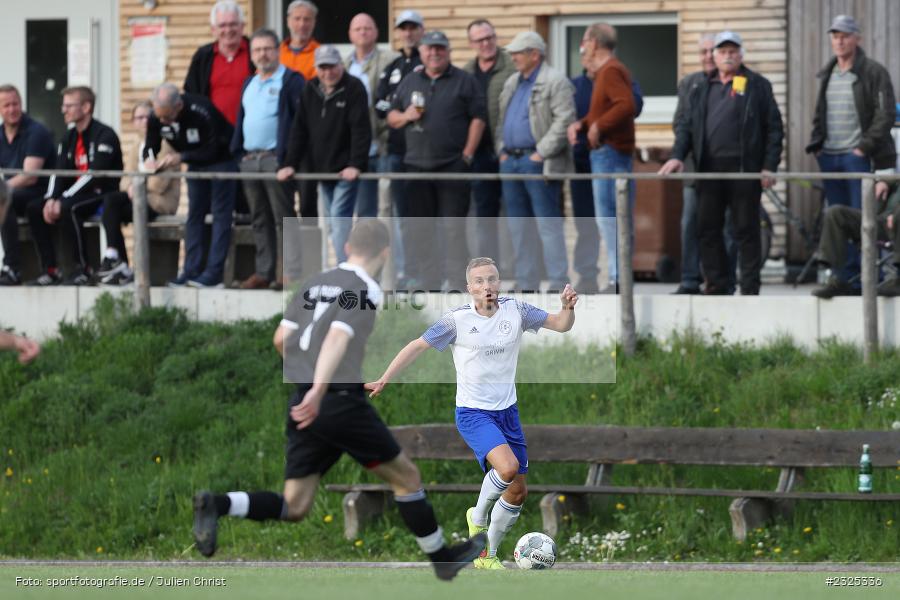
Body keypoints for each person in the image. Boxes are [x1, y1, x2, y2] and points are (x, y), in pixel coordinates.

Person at [191, 220, 486, 580]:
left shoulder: (314, 283)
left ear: (346, 247)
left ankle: (216, 504)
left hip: (303, 402)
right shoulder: (365, 288)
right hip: (334, 401)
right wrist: (321, 388)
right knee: (407, 476)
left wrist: (309, 385)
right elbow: (335, 338)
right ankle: (441, 560)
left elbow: (280, 340)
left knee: (295, 504)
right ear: (385, 253)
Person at [366, 257, 578, 569]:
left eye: (492, 279)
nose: (487, 286)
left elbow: (561, 324)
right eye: (479, 281)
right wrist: (385, 377)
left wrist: (568, 307)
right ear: (469, 288)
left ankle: (486, 555)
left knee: (517, 492)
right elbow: (416, 346)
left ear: (499, 282)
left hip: (508, 412)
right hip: (473, 413)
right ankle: (476, 516)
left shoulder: (517, 310)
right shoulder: (457, 320)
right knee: (507, 469)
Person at [659, 31, 784, 295]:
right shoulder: (699, 86)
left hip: (744, 171)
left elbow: (774, 128)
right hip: (709, 170)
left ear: (741, 55)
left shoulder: (757, 84)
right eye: (722, 51)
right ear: (713, 56)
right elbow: (685, 128)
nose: (727, 56)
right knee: (707, 229)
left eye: (732, 51)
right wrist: (676, 156)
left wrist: (769, 165)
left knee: (746, 230)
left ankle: (749, 287)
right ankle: (717, 284)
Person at [387, 31, 486, 292]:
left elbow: (478, 118)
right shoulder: (410, 81)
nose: (434, 53)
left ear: (448, 51)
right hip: (416, 167)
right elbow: (391, 117)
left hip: (453, 165)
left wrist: (467, 153)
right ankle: (429, 282)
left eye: (440, 48)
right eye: (430, 48)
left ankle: (456, 283)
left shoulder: (464, 80)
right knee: (422, 228)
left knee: (454, 228)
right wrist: (406, 116)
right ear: (422, 52)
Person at [806, 15, 897, 291]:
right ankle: (842, 277)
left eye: (845, 35)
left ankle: (868, 278)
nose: (839, 40)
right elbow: (820, 113)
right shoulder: (827, 73)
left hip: (858, 157)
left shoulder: (873, 72)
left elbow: (886, 114)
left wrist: (863, 147)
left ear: (857, 38)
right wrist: (818, 143)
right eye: (835, 36)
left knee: (863, 219)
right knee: (836, 217)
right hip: (830, 156)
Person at [277, 45, 371, 264]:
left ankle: (345, 270)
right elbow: (299, 129)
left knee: (339, 220)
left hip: (346, 170)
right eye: (323, 67)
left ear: (341, 65)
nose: (328, 72)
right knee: (333, 223)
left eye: (332, 66)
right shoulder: (310, 89)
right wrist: (290, 163)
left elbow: (361, 128)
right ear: (317, 68)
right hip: (322, 170)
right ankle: (345, 266)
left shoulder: (354, 87)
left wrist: (356, 164)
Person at [497, 31, 574, 292]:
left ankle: (556, 282)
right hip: (511, 161)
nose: (513, 56)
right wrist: (501, 150)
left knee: (547, 224)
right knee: (518, 227)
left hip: (538, 162)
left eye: (519, 52)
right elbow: (501, 120)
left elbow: (565, 120)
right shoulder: (512, 81)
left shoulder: (555, 81)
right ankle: (526, 281)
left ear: (535, 54)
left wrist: (541, 152)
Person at [231, 28, 304, 290]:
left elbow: (299, 125)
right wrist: (238, 153)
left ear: (278, 51)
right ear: (252, 55)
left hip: (277, 160)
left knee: (283, 217)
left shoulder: (291, 80)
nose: (262, 54)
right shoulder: (249, 83)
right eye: (257, 50)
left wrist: (290, 160)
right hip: (250, 159)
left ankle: (290, 273)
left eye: (267, 49)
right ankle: (264, 272)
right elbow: (241, 120)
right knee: (259, 218)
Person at [145, 83, 237, 288]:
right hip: (194, 163)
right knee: (194, 215)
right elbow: (151, 143)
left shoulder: (202, 110)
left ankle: (214, 273)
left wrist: (182, 157)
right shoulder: (157, 115)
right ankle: (190, 270)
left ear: (178, 106)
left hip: (221, 160)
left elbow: (215, 147)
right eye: (159, 116)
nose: (162, 121)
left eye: (167, 117)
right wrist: (150, 160)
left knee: (221, 215)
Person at [567, 23, 635, 294]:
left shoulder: (611, 70)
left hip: (610, 154)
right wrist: (583, 124)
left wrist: (597, 127)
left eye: (585, 41)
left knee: (611, 219)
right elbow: (605, 110)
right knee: (607, 218)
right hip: (605, 153)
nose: (583, 46)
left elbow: (625, 105)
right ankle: (617, 278)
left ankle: (618, 279)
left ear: (594, 43)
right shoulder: (605, 73)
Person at [35, 86, 123, 286]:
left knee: (69, 208)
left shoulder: (105, 134)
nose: (63, 110)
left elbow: (95, 175)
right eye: (63, 105)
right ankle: (50, 269)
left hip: (102, 193)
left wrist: (63, 199)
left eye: (69, 106)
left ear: (86, 107)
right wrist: (51, 199)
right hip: (75, 194)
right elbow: (59, 172)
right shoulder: (68, 137)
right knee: (35, 208)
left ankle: (83, 269)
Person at [97, 101, 181, 286]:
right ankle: (116, 258)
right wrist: (130, 187)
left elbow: (160, 184)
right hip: (138, 197)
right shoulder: (136, 145)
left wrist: (137, 187)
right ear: (133, 122)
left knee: (114, 208)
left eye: (147, 117)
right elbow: (126, 176)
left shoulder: (167, 144)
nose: (144, 122)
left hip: (160, 202)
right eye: (139, 118)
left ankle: (119, 263)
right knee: (110, 202)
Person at [374, 9, 426, 287]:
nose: (408, 33)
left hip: (421, 154)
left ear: (421, 31)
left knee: (418, 217)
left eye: (413, 28)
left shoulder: (427, 62)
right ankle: (404, 274)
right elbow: (380, 105)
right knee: (398, 217)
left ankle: (419, 273)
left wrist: (399, 110)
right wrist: (401, 112)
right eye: (403, 28)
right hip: (395, 152)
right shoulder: (393, 66)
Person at [462, 20, 516, 261]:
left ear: (496, 37)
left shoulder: (512, 66)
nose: (485, 43)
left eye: (489, 37)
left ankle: (526, 273)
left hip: (510, 150)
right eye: (479, 40)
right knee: (484, 215)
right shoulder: (466, 73)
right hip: (480, 154)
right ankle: (490, 269)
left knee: (518, 214)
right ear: (471, 43)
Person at [0, 84, 55, 286]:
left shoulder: (36, 131)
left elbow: (30, 176)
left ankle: (12, 268)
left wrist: (2, 190)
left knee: (5, 200)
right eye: (6, 106)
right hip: (15, 193)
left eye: (15, 104)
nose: (12, 109)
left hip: (40, 191)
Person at [345, 13, 398, 219]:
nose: (363, 32)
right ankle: (368, 252)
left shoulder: (391, 60)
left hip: (385, 143)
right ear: (350, 35)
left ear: (376, 33)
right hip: (357, 149)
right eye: (357, 29)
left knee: (388, 207)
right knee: (364, 209)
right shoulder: (342, 65)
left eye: (367, 28)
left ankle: (392, 252)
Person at [811, 183, 900, 298]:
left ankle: (898, 279)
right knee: (836, 213)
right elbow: (895, 178)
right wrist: (885, 182)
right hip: (883, 222)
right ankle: (838, 278)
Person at [280, 0, 322, 225]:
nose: (302, 24)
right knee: (283, 204)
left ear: (314, 23)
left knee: (308, 203)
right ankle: (288, 259)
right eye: (297, 18)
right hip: (280, 138)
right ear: (288, 21)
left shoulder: (320, 54)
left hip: (308, 139)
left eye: (307, 19)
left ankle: (310, 259)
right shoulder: (277, 53)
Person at [183, 0, 252, 126]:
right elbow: (191, 95)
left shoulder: (255, 51)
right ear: (213, 29)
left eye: (233, 24)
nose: (228, 30)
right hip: (213, 133)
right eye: (222, 25)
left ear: (242, 26)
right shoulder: (202, 57)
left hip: (249, 131)